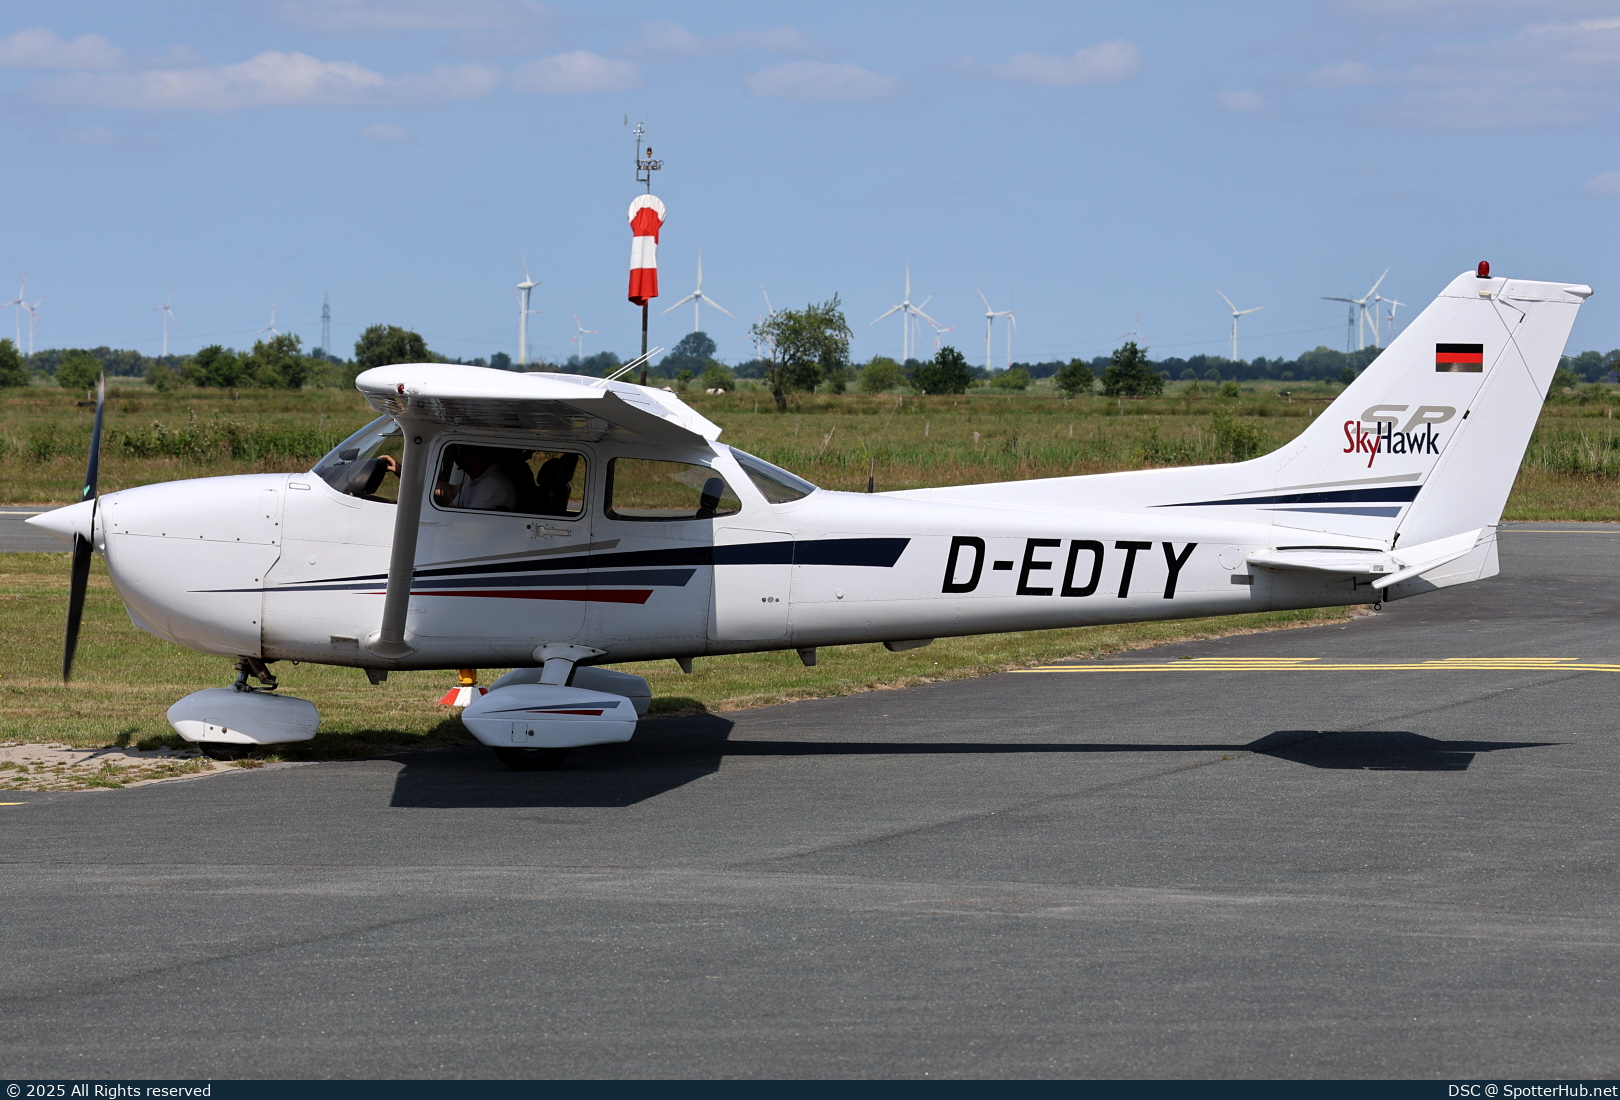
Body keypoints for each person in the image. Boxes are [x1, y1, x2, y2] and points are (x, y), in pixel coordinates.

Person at [436, 446, 516, 511]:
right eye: (462, 457)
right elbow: (453, 506)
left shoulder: (491, 484)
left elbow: (471, 522)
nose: (466, 461)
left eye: (472, 455)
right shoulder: (474, 480)